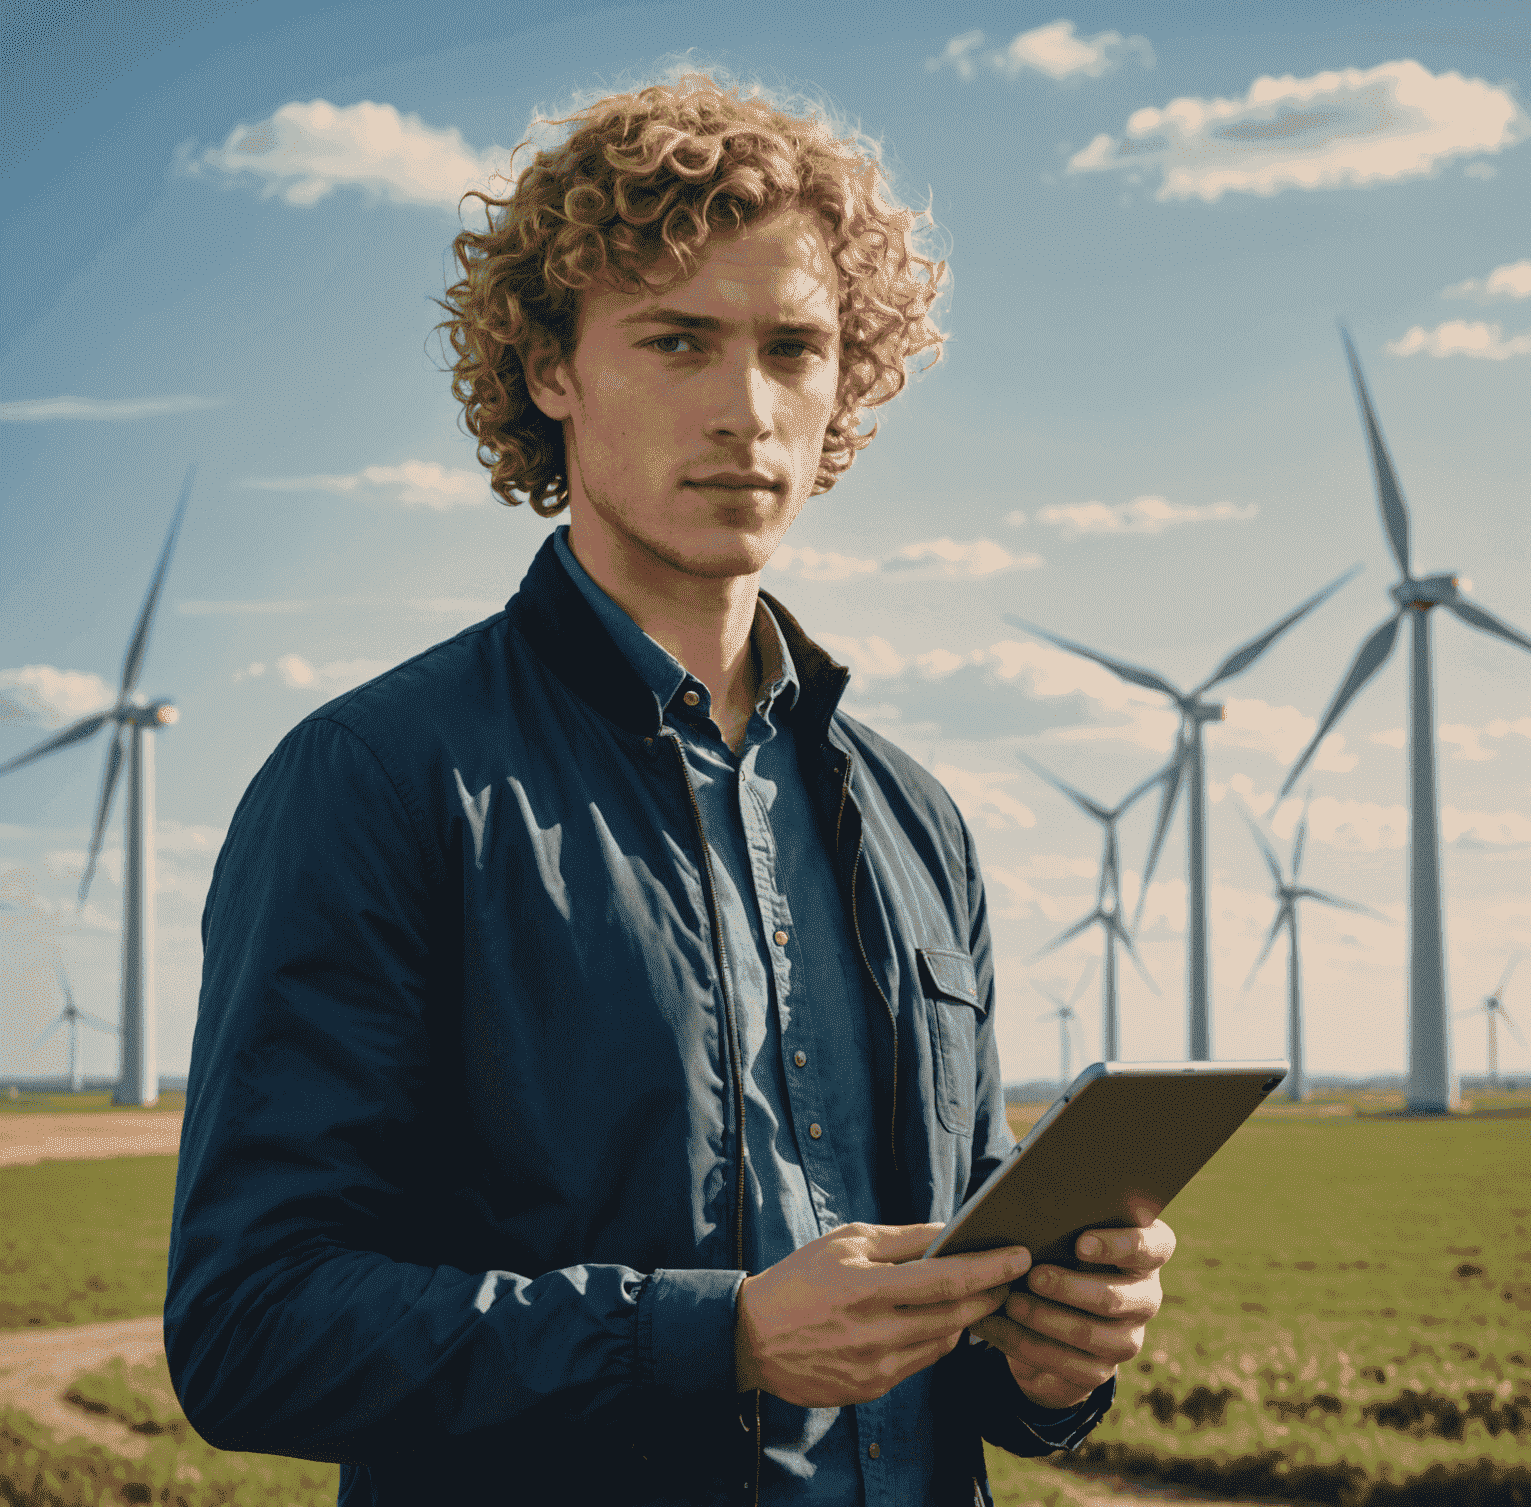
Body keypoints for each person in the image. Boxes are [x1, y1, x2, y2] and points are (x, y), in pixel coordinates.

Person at [165, 73, 1175, 1506]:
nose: (749, 413)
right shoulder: (379, 782)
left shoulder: (915, 823)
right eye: (680, 342)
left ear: (848, 382)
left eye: (794, 348)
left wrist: (1052, 1361)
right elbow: (248, 1329)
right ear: (549, 367)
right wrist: (722, 1338)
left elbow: (959, 1308)